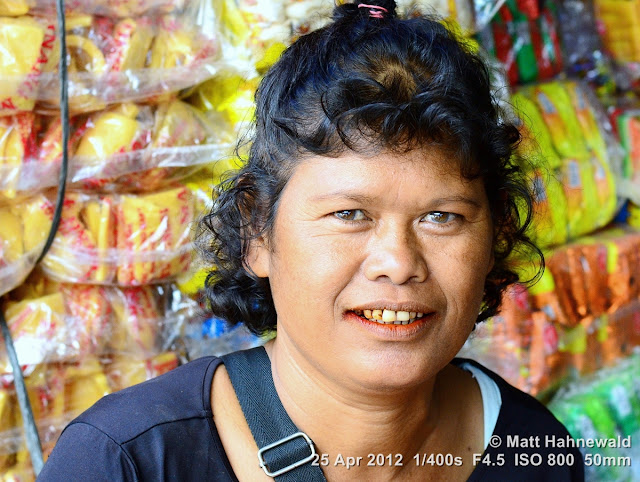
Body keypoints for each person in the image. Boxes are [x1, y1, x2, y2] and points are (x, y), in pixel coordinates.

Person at [38, 1, 584, 480]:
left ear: (494, 239)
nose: (397, 263)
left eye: (441, 217)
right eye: (350, 214)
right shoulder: (124, 462)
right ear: (257, 232)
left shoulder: (535, 450)